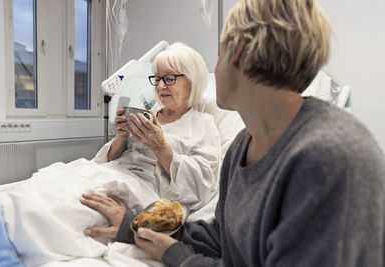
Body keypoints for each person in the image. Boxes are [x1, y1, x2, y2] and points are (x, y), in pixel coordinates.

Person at [84, 0, 385, 266]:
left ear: (238, 51)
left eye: (220, 53)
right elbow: (223, 237)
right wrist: (135, 229)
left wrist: (176, 256)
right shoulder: (243, 146)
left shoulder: (332, 158)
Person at [81, 42, 221, 239]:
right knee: (50, 188)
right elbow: (107, 160)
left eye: (170, 78)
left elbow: (202, 186)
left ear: (192, 81)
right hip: (109, 173)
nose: (161, 86)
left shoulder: (202, 124)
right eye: (156, 79)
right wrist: (121, 137)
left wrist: (160, 147)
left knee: (72, 209)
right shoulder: (148, 114)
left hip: (138, 189)